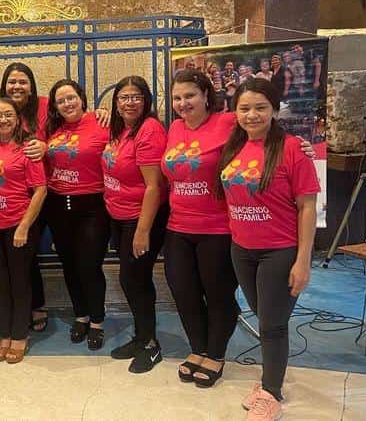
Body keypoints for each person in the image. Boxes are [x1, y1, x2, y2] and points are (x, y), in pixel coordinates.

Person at [216, 78, 318, 420]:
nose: (252, 115)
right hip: (242, 249)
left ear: (275, 110)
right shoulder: (234, 146)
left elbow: (307, 207)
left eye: (261, 107)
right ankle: (268, 380)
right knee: (265, 319)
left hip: (280, 251)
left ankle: (271, 393)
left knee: (273, 325)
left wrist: (303, 261)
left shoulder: (292, 149)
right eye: (244, 108)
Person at [161, 70, 242, 388]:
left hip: (218, 228)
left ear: (207, 95)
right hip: (178, 227)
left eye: (190, 95)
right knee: (184, 291)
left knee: (219, 294)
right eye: (177, 98)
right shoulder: (174, 128)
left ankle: (216, 354)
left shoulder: (229, 122)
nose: (183, 103)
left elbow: (267, 136)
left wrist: (302, 148)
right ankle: (198, 348)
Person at [101, 77, 169, 373]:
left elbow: (154, 186)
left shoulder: (149, 129)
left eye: (136, 97)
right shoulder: (121, 129)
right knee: (130, 280)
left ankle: (151, 345)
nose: (129, 102)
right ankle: (141, 337)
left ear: (146, 100)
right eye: (123, 97)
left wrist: (143, 231)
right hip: (119, 216)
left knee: (136, 280)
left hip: (139, 219)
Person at [44, 78, 111, 350]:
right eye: (60, 101)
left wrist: (105, 110)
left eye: (71, 97)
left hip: (92, 206)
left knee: (89, 266)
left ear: (81, 98)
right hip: (58, 205)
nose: (67, 104)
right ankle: (81, 316)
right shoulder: (52, 129)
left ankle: (97, 321)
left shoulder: (102, 123)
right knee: (69, 265)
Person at [0, 96, 47, 364]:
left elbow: (40, 190)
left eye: (8, 114)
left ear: (18, 118)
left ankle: (19, 335)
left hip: (17, 225)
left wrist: (24, 226)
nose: (3, 119)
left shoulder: (27, 148)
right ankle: (5, 334)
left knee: (19, 282)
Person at [0, 62, 50, 332]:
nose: (17, 86)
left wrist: (45, 145)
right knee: (13, 258)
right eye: (12, 81)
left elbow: (69, 127)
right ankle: (17, 312)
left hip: (39, 192)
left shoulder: (45, 106)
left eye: (22, 81)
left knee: (29, 254)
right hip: (3, 196)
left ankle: (35, 304)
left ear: (31, 86)